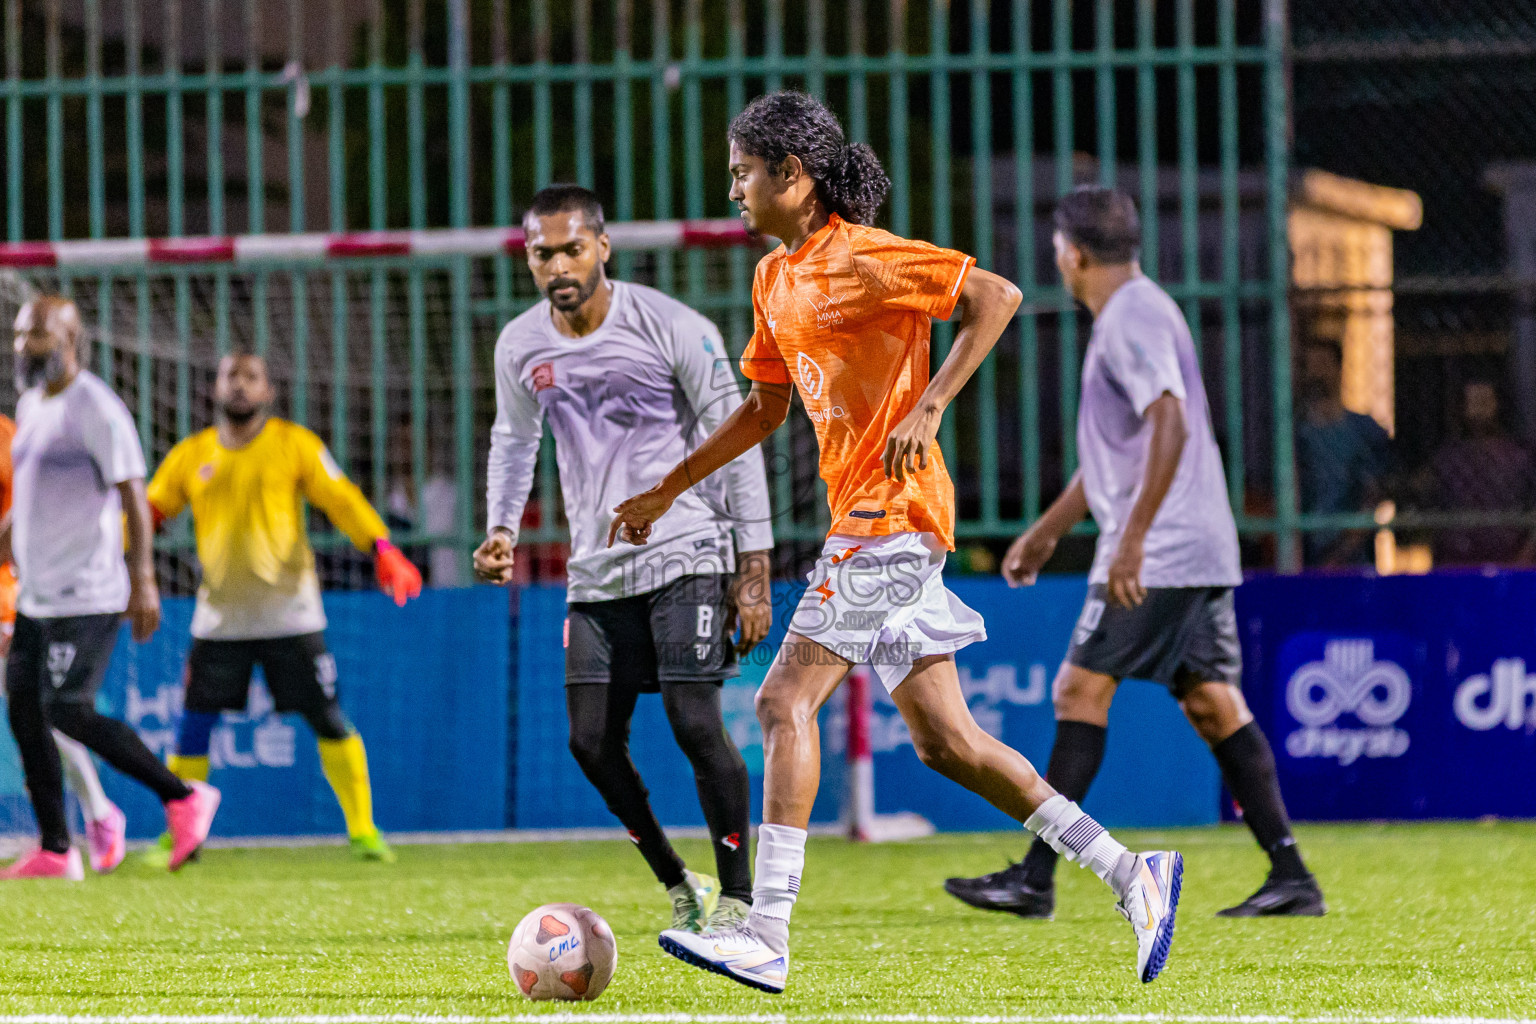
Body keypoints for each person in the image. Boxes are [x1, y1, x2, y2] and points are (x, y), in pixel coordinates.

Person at [609, 93, 1183, 992]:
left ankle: (765, 931)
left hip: (892, 515)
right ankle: (1129, 871)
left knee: (780, 704)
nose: (733, 189)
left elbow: (997, 296)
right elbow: (763, 408)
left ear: (792, 178)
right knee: (947, 745)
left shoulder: (868, 258)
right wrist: (664, 490)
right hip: (867, 522)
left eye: (743, 172)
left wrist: (932, 401)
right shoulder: (775, 278)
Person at [944, 187, 1324, 920]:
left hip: (1166, 551)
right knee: (1215, 706)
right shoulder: (1141, 309)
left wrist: (1135, 540)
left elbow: (1170, 420)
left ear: (1072, 252)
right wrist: (1049, 528)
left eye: (1057, 247)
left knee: (1078, 694)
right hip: (1196, 544)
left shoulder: (1129, 318)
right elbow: (1124, 448)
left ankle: (1036, 877)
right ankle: (1293, 877)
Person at [475, 183, 774, 935]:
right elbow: (514, 443)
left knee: (693, 720)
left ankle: (740, 900)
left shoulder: (672, 325)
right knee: (589, 742)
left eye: (573, 248)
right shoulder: (521, 344)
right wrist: (500, 528)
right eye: (543, 253)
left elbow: (736, 434)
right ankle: (681, 882)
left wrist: (753, 564)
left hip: (687, 550)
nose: (558, 264)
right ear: (529, 258)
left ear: (602, 247)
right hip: (597, 569)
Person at [145, 350, 421, 864]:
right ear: (215, 389)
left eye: (251, 377)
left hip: (291, 614)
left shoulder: (295, 445)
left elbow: (341, 499)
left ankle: (363, 830)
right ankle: (181, 832)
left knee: (327, 717)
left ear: (268, 391)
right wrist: (118, 559)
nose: (241, 386)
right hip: (219, 618)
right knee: (194, 723)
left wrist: (383, 548)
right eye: (232, 376)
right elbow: (148, 513)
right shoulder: (190, 455)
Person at [1, 295, 219, 880]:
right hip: (37, 593)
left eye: (38, 336)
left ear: (71, 340)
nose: (25, 346)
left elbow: (133, 496)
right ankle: (56, 848)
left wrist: (143, 579)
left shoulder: (96, 408)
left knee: (66, 708)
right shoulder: (32, 404)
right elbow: (28, 497)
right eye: (21, 335)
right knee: (23, 709)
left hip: (89, 591)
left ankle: (182, 796)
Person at [0, 411, 128, 873]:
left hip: (11, 591)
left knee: (40, 713)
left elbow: (27, 520)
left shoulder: (8, 439)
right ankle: (74, 832)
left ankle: (95, 815)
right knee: (33, 715)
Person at [1418, 379, 1535, 566]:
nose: (1480, 410)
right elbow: (1428, 510)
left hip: (1509, 560)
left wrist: (1523, 560)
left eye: (1485, 401)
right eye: (1474, 402)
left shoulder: (1520, 457)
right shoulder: (1448, 459)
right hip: (1458, 560)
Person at [1295, 344, 1392, 566]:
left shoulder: (1363, 429)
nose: (1315, 373)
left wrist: (1340, 554)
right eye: (1309, 366)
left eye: (1322, 365)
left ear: (1338, 369)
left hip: (1354, 558)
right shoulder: (1295, 434)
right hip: (1306, 553)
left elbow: (1373, 496)